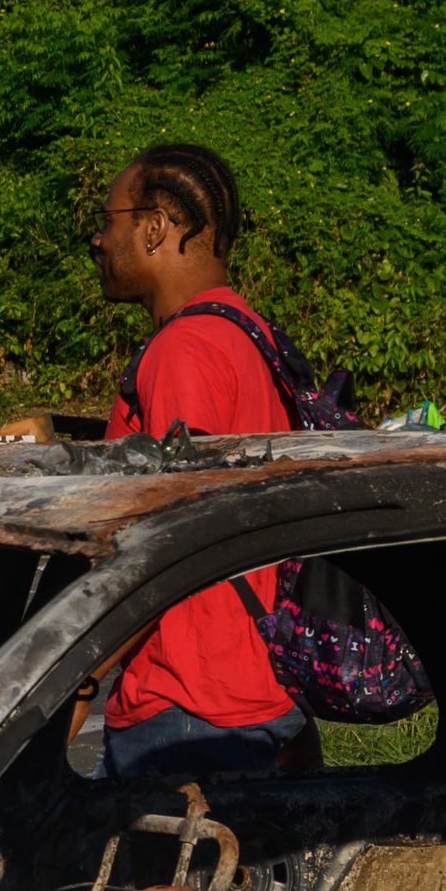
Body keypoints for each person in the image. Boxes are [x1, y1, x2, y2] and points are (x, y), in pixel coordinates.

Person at [83, 143, 311, 779]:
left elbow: (171, 537)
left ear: (154, 227)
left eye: (108, 222)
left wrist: (78, 675)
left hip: (188, 704)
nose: (99, 241)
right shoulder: (245, 332)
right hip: (254, 689)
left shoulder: (183, 351)